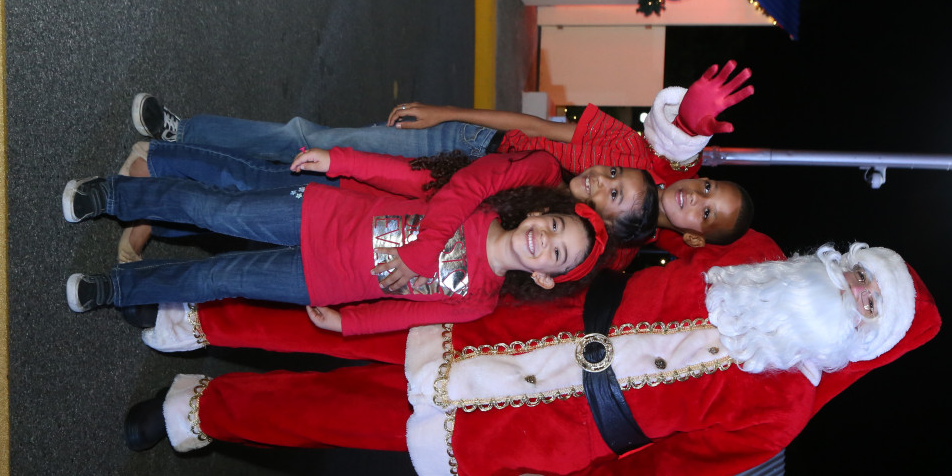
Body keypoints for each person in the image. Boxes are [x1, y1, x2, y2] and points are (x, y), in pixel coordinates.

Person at [122, 233, 942, 476]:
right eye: (862, 275)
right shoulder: (753, 256)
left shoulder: (782, 410)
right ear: (843, 258)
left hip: (528, 434)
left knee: (330, 416)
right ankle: (197, 316)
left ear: (860, 339)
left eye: (869, 305)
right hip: (513, 320)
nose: (852, 291)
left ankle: (196, 409)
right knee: (334, 321)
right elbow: (651, 217)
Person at [129, 60, 756, 249]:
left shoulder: (618, 249)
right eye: (708, 188)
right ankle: (184, 134)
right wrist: (445, 113)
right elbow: (530, 124)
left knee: (301, 206)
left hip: (445, 212)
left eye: (707, 212)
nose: (696, 198)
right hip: (461, 146)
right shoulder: (630, 151)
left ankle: (171, 204)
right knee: (313, 139)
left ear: (694, 238)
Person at [62, 147, 610, 336]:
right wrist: (340, 160)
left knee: (217, 277)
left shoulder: (480, 301)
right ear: (540, 213)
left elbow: (406, 314)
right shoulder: (479, 205)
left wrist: (350, 324)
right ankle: (112, 195)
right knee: (215, 210)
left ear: (545, 277)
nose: (544, 241)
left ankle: (118, 287)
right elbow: (410, 176)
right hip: (318, 215)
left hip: (319, 282)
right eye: (554, 226)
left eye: (557, 254)